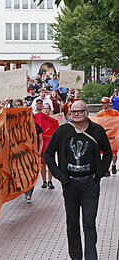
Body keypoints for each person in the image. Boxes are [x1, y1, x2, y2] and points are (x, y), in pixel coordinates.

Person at [44, 100, 112, 260]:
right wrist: (60, 176)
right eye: (73, 112)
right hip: (70, 184)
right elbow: (48, 154)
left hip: (90, 183)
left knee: (89, 223)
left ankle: (91, 257)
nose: (76, 114)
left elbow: (108, 153)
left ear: (86, 112)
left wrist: (100, 173)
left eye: (79, 111)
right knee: (72, 224)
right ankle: (76, 256)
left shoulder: (97, 130)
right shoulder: (63, 131)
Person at [13, 99, 43, 203]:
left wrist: (39, 151)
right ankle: (25, 190)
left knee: (31, 174)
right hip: (20, 154)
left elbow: (41, 140)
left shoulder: (37, 127)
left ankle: (29, 194)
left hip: (33, 154)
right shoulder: (20, 127)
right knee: (21, 173)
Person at [96, 97, 119, 175]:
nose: (103, 104)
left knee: (114, 153)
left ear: (109, 103)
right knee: (103, 153)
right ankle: (106, 169)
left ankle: (113, 165)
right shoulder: (99, 114)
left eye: (105, 103)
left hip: (113, 136)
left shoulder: (115, 113)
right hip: (104, 136)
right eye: (102, 103)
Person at [41, 103, 55, 189]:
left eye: (47, 108)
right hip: (42, 144)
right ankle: (44, 181)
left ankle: (50, 181)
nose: (46, 110)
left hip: (50, 144)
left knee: (50, 163)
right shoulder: (39, 119)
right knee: (43, 164)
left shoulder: (53, 120)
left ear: (50, 110)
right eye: (45, 108)